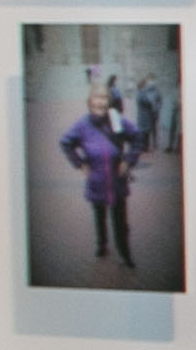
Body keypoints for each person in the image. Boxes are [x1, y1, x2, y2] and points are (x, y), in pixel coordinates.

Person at [58, 81, 141, 270]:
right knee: (100, 216)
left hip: (117, 182)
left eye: (104, 98)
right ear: (89, 101)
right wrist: (80, 164)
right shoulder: (82, 125)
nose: (100, 102)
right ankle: (102, 244)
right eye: (97, 97)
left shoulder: (117, 120)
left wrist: (128, 160)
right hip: (96, 182)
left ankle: (125, 254)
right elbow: (65, 143)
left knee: (120, 222)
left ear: (108, 101)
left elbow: (137, 137)